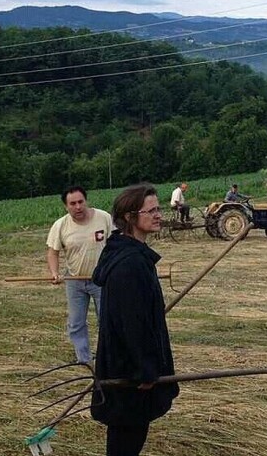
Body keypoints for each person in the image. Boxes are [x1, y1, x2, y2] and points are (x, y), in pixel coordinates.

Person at [91, 183, 179, 456]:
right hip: (129, 368)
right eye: (150, 211)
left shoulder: (129, 254)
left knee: (128, 431)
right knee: (127, 433)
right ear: (130, 217)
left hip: (127, 364)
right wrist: (145, 369)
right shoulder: (130, 264)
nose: (158, 215)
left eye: (158, 208)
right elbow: (131, 324)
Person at [46, 186, 113, 364]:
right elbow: (53, 252)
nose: (78, 207)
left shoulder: (104, 218)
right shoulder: (60, 225)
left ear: (86, 200)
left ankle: (107, 356)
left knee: (106, 320)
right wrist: (54, 273)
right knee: (76, 323)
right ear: (66, 206)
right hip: (74, 280)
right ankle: (84, 359)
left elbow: (117, 243)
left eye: (80, 202)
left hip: (102, 279)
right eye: (72, 203)